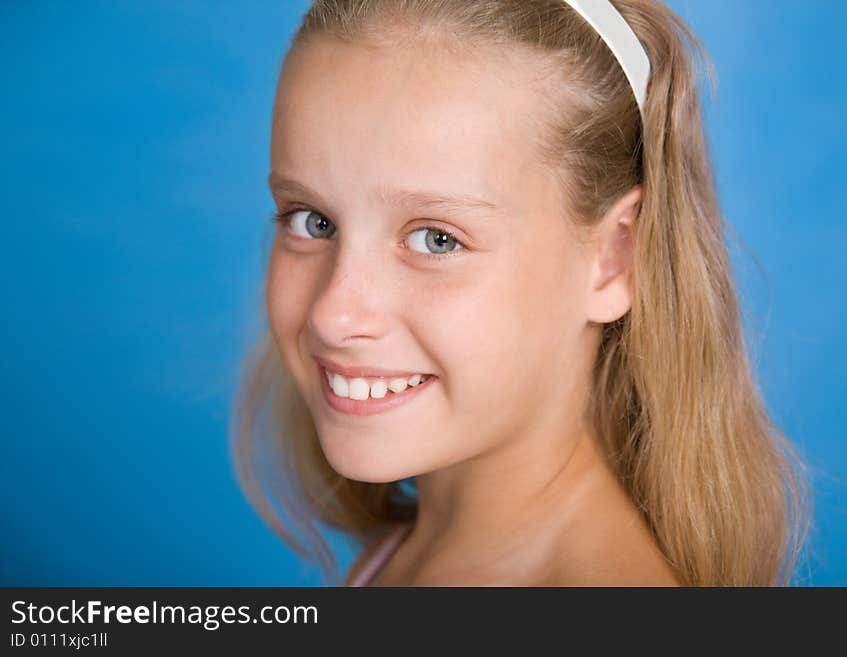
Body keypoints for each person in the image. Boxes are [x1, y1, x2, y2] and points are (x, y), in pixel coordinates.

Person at [233, 0, 811, 586]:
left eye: (437, 239)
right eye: (312, 221)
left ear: (615, 259)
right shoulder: (420, 553)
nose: (334, 314)